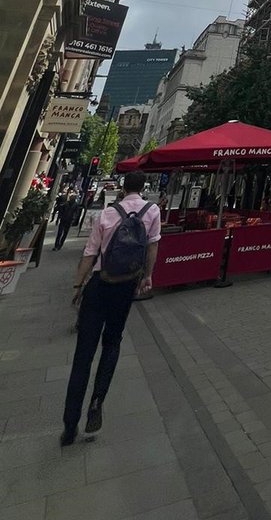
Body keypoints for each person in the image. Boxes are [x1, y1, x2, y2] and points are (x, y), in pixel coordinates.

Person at [61, 171, 161, 446]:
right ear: (144, 187)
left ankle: (70, 423)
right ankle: (97, 399)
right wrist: (148, 277)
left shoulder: (107, 213)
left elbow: (89, 254)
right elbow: (152, 248)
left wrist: (77, 287)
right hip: (125, 286)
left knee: (84, 353)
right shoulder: (152, 211)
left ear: (122, 187)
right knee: (113, 342)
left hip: (98, 284)